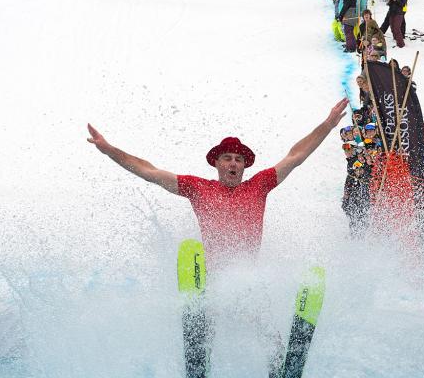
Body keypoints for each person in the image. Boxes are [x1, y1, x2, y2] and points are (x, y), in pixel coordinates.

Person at [86, 99, 348, 263]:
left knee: (258, 322)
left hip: (247, 276)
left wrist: (327, 125)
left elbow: (296, 155)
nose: (233, 163)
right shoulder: (197, 187)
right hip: (210, 277)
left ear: (245, 165)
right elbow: (150, 172)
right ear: (217, 163)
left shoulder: (259, 184)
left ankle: (278, 350)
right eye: (227, 158)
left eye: (238, 159)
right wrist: (109, 150)